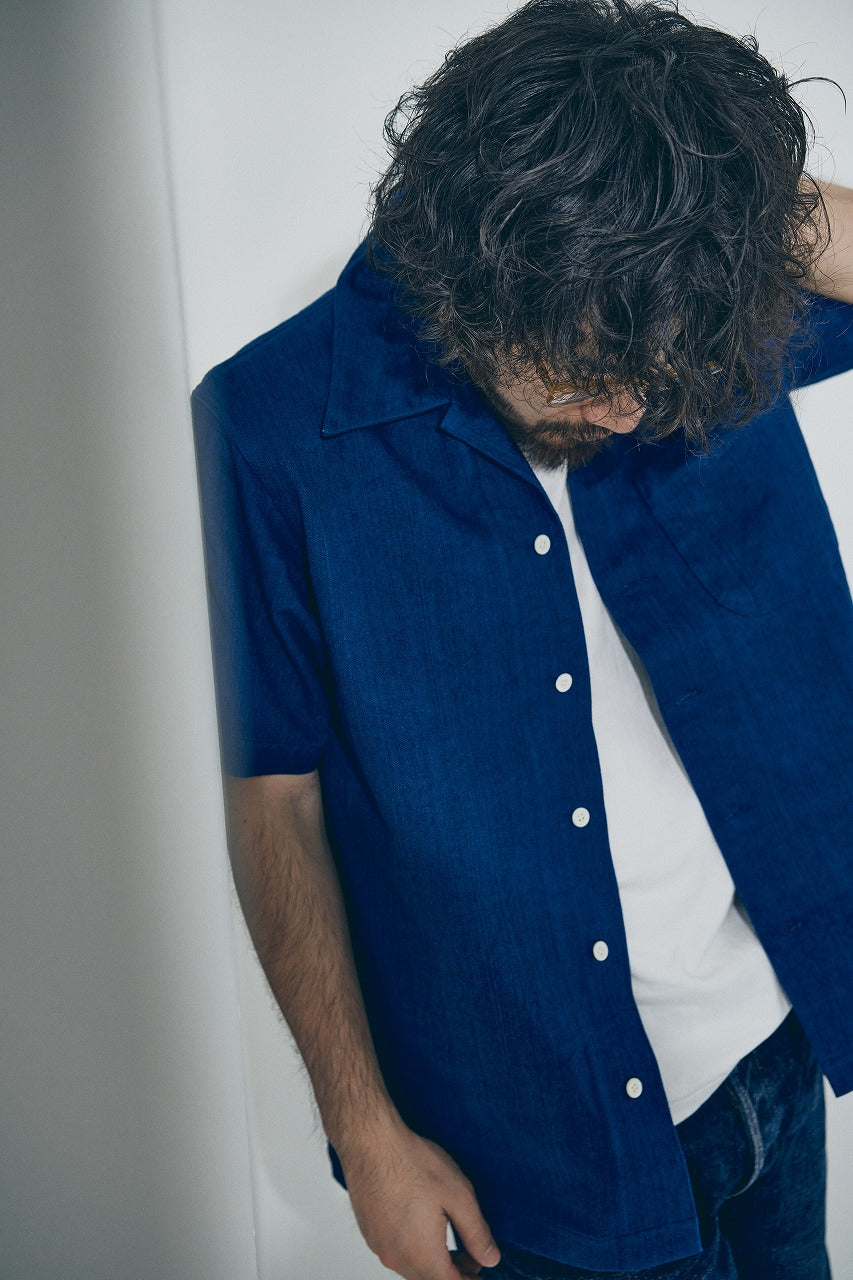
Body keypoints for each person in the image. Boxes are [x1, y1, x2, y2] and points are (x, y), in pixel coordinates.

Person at [189, 2, 853, 1277]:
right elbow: (270, 795)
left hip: (772, 1036)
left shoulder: (680, 298)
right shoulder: (263, 433)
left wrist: (716, 193)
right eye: (585, 371)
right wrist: (363, 1130)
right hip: (539, 1151)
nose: (630, 408)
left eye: (663, 371)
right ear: (465, 279)